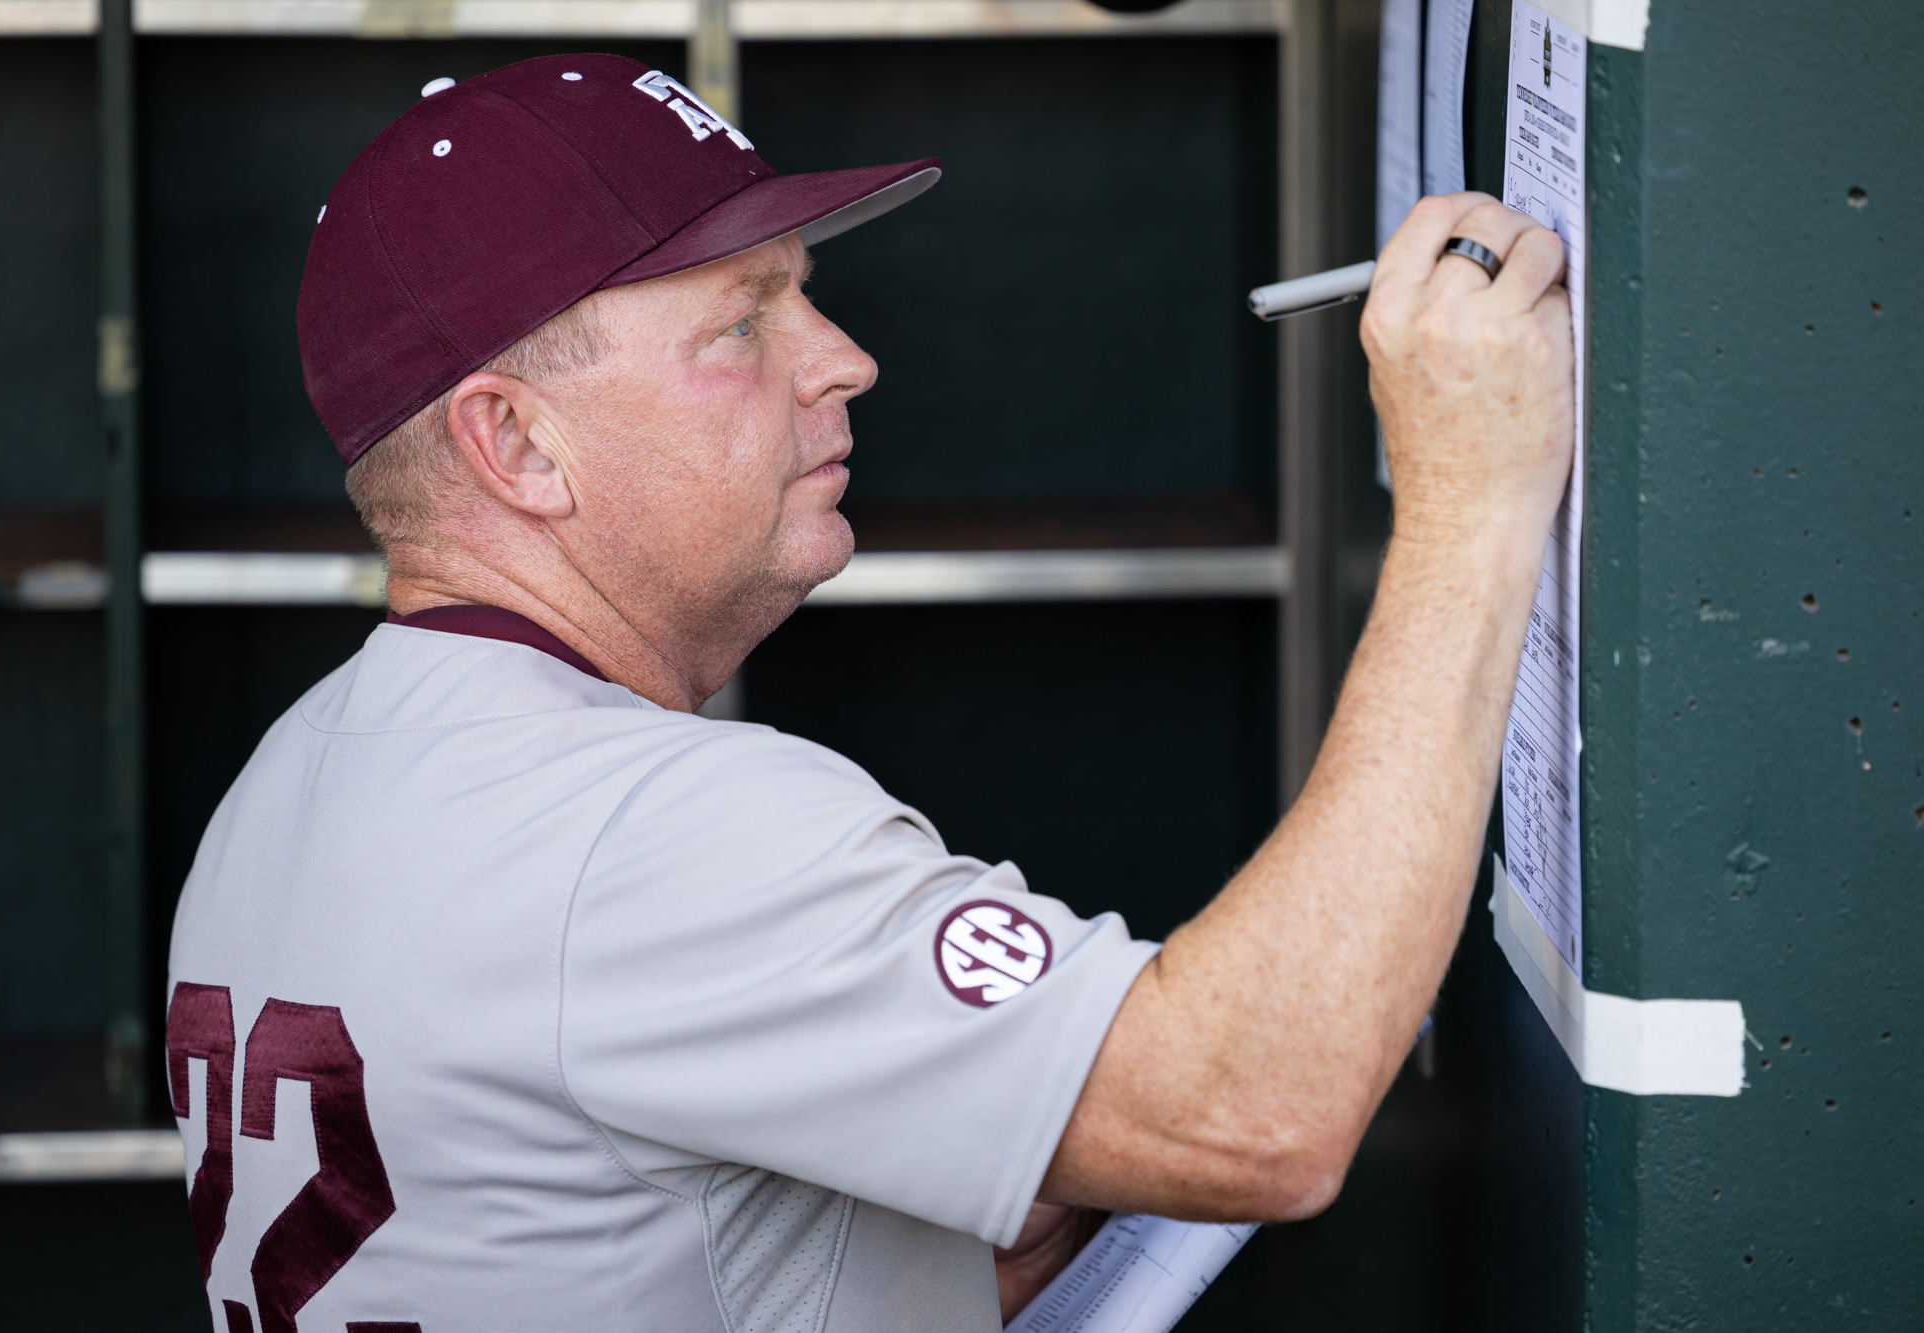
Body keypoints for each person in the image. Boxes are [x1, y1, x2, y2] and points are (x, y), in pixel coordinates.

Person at [165, 53, 1572, 1332]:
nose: (845, 358)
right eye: (742, 321)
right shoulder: (645, 833)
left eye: (806, 296)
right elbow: (1256, 1112)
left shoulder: (282, 787)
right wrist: (1471, 500)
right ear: (518, 446)